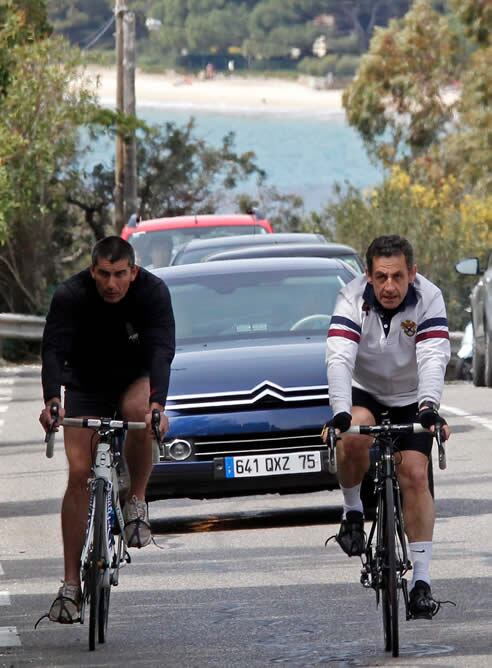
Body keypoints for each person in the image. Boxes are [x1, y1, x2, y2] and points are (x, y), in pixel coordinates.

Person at [39, 236, 175, 624]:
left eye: (119, 274)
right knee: (79, 474)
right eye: (103, 274)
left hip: (134, 377)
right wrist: (52, 401)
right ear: (92, 270)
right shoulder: (70, 295)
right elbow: (52, 349)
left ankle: (136, 499)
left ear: (133, 271)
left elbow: (162, 349)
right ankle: (69, 585)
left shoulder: (153, 293)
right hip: (84, 382)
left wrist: (157, 405)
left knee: (138, 413)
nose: (111, 284)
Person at [324, 234, 451, 619]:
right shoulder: (350, 298)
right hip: (365, 393)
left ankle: (422, 583)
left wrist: (429, 407)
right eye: (381, 277)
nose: (390, 286)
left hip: (413, 395)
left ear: (412, 273)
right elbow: (339, 358)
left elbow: (432, 357)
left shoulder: (430, 298)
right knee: (352, 436)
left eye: (398, 276)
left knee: (414, 473)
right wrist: (341, 412)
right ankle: (351, 512)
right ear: (368, 276)